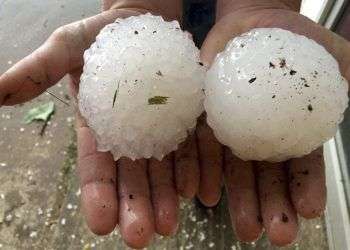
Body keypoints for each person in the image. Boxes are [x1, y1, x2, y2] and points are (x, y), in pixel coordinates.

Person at [0, 0, 349, 248]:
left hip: (235, 29)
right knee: (202, 160)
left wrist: (261, 3)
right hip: (170, 26)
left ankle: (208, 194)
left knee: (212, 160)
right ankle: (204, 195)